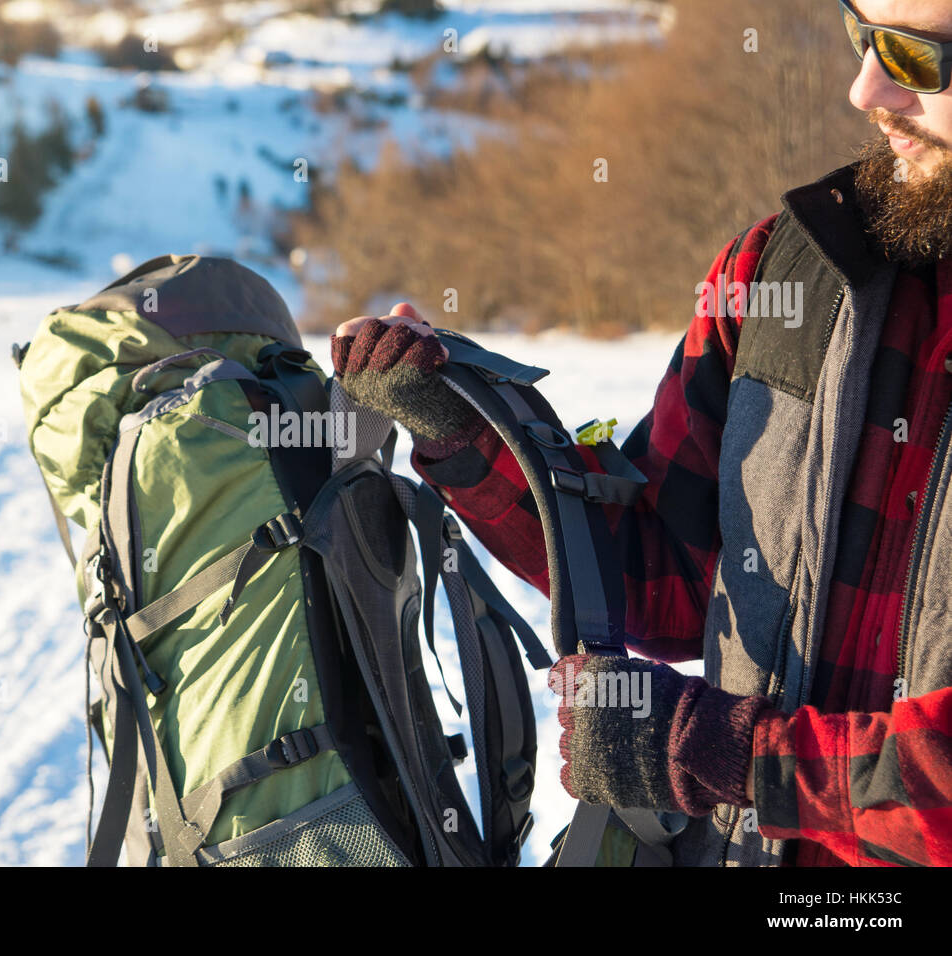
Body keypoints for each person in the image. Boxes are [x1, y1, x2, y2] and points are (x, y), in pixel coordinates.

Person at [331, 0, 952, 866]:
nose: (865, 88)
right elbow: (674, 573)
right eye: (861, 35)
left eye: (916, 58)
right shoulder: (782, 274)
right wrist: (469, 435)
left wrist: (738, 756)